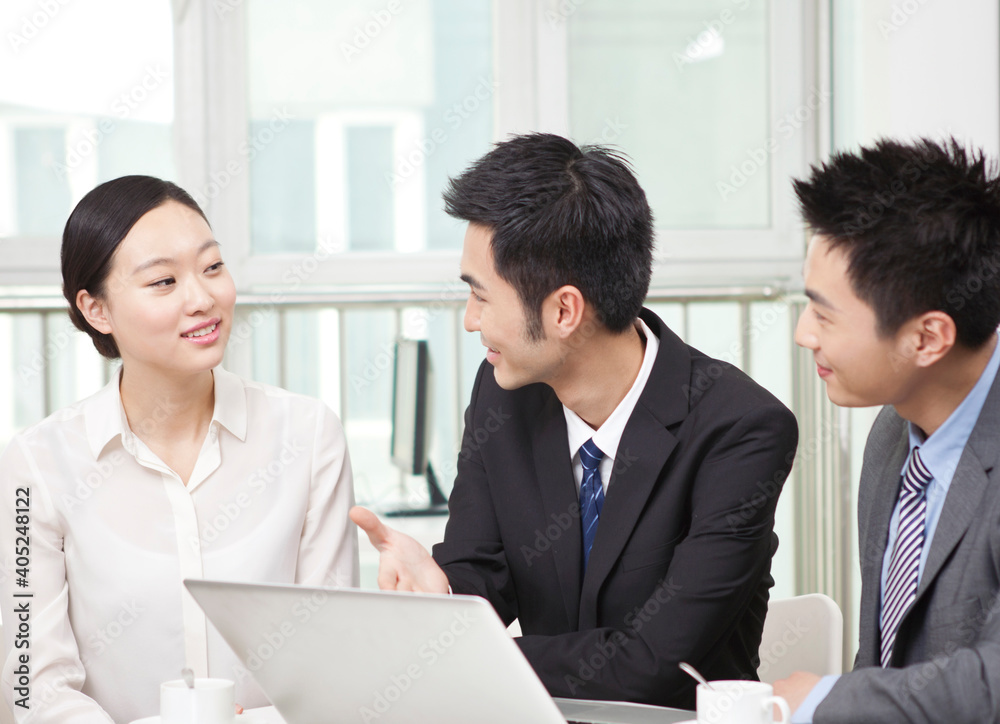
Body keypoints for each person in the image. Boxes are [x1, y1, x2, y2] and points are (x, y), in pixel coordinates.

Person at [351, 132, 799, 709]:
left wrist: (459, 647)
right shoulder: (504, 393)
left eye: (481, 297)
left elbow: (656, 666)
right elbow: (483, 571)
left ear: (564, 310)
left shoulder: (741, 429)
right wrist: (442, 592)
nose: (469, 321)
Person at [0, 176, 358, 723]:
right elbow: (34, 687)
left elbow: (331, 661)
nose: (203, 298)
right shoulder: (36, 466)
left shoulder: (307, 436)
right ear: (97, 310)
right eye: (164, 281)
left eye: (212, 267)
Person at [775, 138, 1000, 722]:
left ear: (927, 338)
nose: (805, 334)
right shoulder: (892, 432)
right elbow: (889, 665)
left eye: (824, 313)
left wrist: (825, 701)